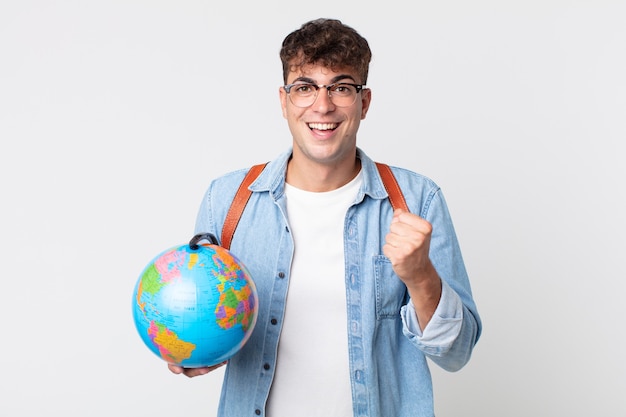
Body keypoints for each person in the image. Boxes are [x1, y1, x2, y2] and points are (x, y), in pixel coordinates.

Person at [168, 17, 482, 417]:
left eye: (341, 87)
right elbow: (208, 319)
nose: (323, 105)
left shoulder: (417, 200)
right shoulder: (228, 200)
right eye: (305, 88)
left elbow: (457, 352)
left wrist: (421, 277)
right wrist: (194, 352)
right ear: (283, 101)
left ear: (364, 102)